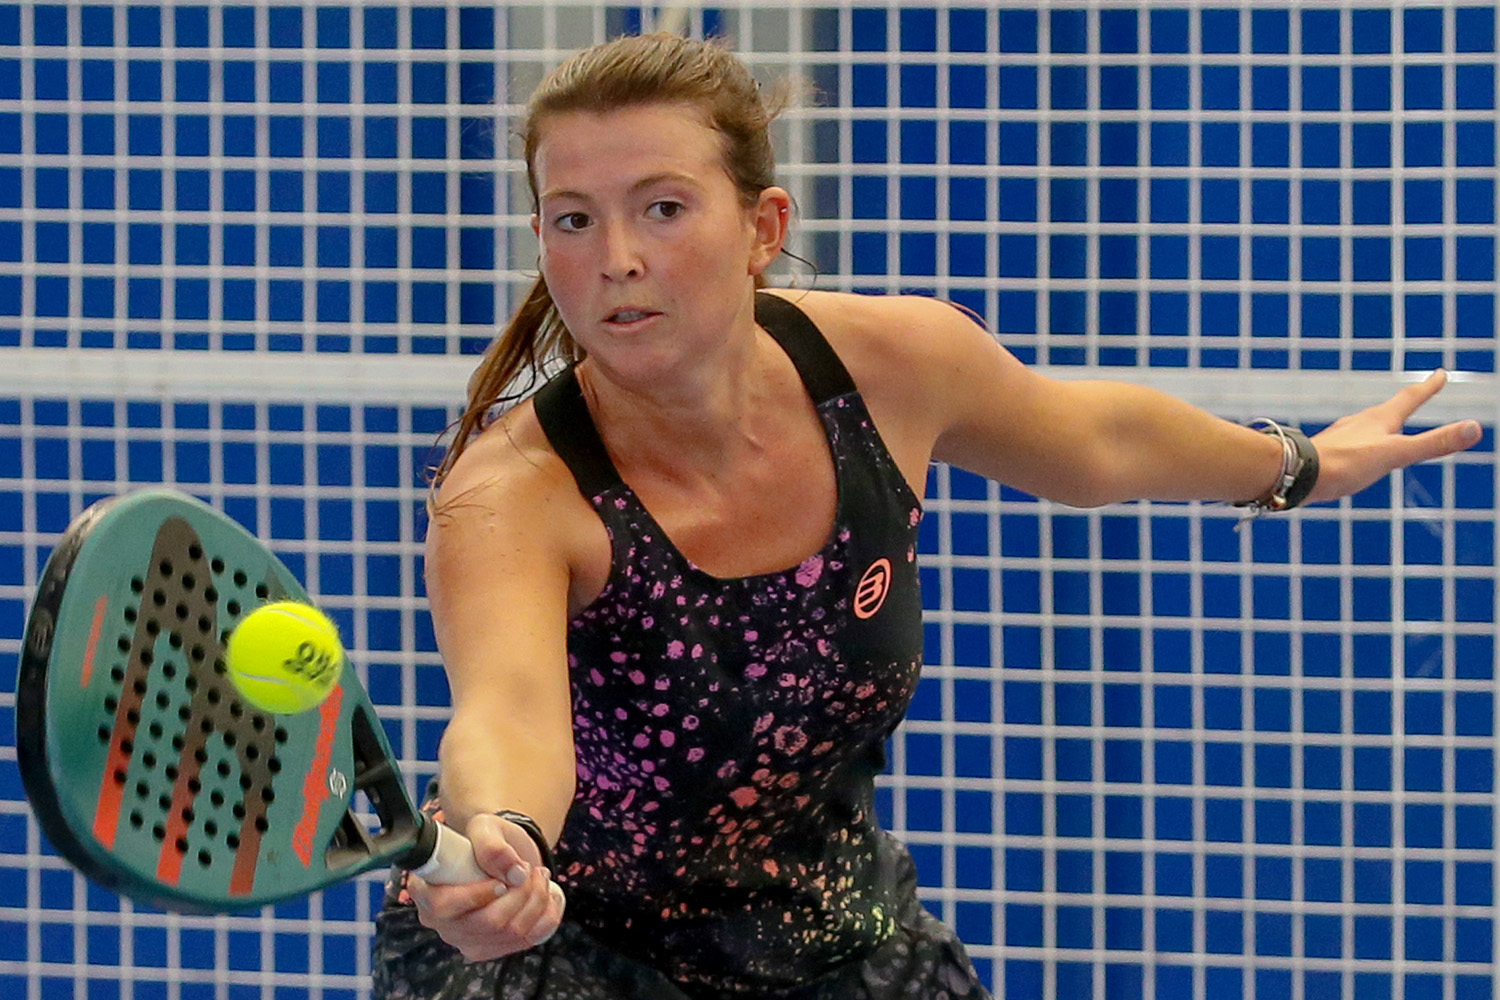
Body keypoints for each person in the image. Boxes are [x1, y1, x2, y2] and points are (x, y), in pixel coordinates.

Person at [371, 32, 1481, 1000]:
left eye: (663, 207)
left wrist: (1301, 462)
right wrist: (503, 836)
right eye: (573, 219)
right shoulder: (511, 495)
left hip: (839, 938)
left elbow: (1099, 441)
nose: (617, 258)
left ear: (763, 226)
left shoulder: (889, 366)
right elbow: (509, 715)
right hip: (572, 959)